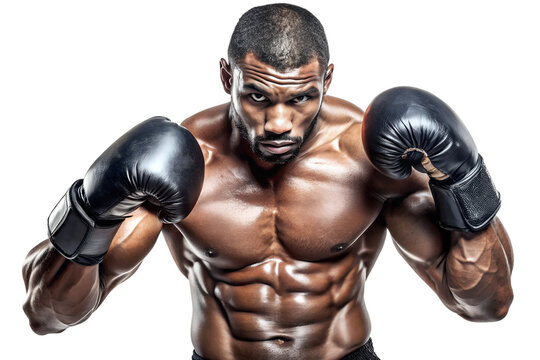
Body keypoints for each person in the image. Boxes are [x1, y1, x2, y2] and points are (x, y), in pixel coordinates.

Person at [22, 4, 513, 360]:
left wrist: (462, 177)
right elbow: (48, 316)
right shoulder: (181, 164)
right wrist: (92, 206)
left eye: (300, 98)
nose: (277, 122)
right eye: (256, 95)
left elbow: (486, 306)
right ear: (225, 76)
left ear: (327, 80)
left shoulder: (372, 162)